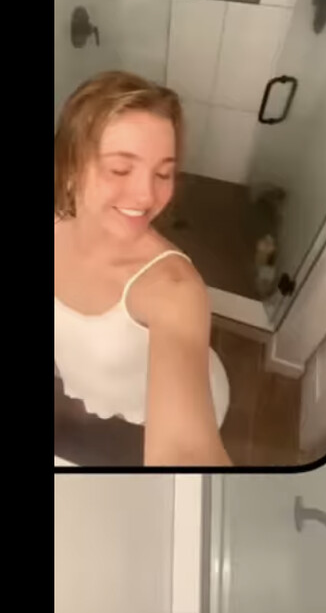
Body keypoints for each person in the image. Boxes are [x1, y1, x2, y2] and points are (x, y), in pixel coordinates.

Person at [54, 71, 231, 469]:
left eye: (163, 174)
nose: (147, 195)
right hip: (100, 407)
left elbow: (185, 450)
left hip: (159, 410)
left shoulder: (174, 289)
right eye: (120, 169)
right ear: (70, 167)